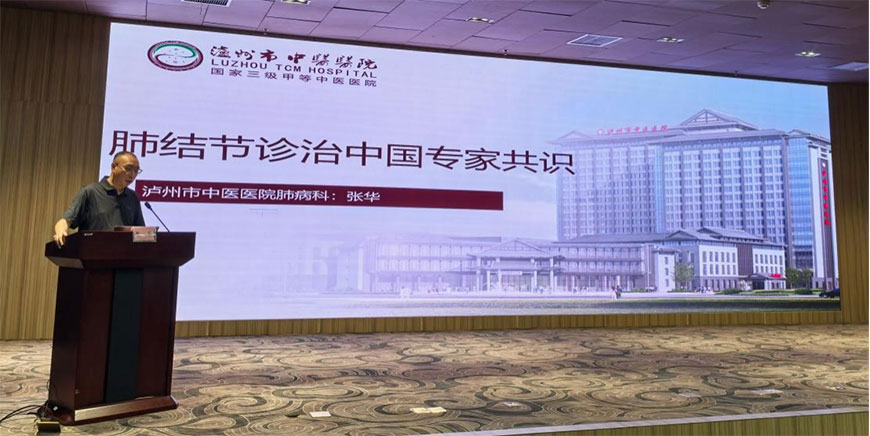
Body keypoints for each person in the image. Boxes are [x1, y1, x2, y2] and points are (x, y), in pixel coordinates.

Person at [52, 152, 145, 247]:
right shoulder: (91, 192)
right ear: (113, 167)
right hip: (93, 251)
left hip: (123, 253)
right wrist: (60, 231)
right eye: (128, 169)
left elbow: (141, 232)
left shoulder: (132, 197)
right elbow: (65, 221)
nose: (132, 175)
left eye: (136, 171)